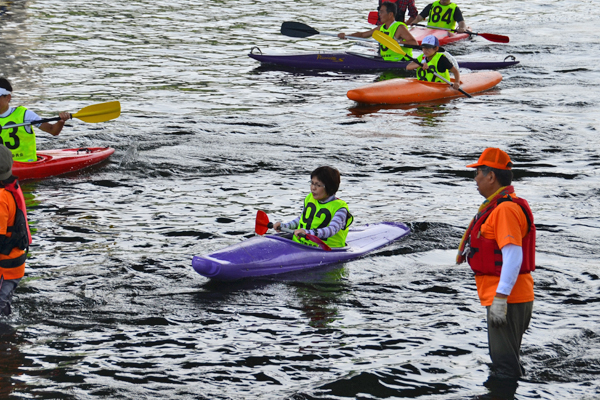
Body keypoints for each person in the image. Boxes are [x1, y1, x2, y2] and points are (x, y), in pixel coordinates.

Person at [457, 148, 536, 386]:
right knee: (507, 363)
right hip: (510, 296)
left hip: (508, 299)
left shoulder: (505, 210)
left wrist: (500, 298)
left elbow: (513, 255)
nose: (475, 179)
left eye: (479, 172)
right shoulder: (501, 206)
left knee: (504, 368)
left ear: (491, 176)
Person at [273, 166, 353, 248]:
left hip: (327, 249)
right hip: (299, 243)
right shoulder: (309, 198)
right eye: (312, 183)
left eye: (318, 185)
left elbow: (332, 229)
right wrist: (285, 226)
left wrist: (308, 232)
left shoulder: (340, 208)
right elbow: (302, 219)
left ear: (330, 188)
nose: (313, 188)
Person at [0, 78, 70, 162]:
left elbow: (53, 131)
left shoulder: (25, 115)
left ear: (8, 97)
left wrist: (61, 121)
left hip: (26, 163)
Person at [0, 145, 32, 317]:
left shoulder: (0, 199)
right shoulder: (12, 186)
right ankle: (9, 340)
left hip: (5, 268)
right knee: (4, 311)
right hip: (14, 265)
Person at [338, 1, 418, 62]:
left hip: (401, 61)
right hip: (386, 60)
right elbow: (363, 35)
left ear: (390, 14)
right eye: (379, 12)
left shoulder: (400, 27)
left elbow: (414, 43)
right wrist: (346, 36)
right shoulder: (381, 28)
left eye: (382, 12)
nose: (379, 14)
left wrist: (399, 42)